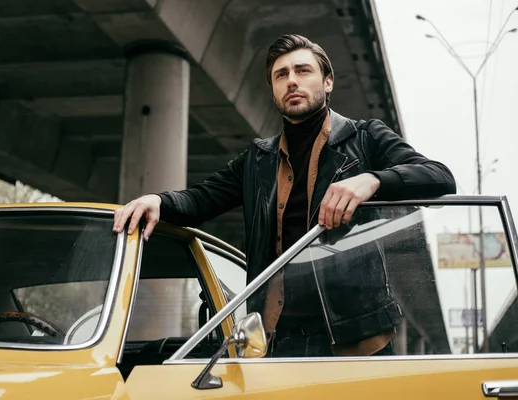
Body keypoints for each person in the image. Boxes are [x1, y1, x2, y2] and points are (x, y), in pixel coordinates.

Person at [113, 34, 456, 357]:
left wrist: (371, 180)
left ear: (327, 82)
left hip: (355, 340)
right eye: (281, 75)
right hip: (278, 339)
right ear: (275, 91)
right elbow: (201, 198)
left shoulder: (365, 138)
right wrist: (158, 201)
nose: (292, 80)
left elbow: (439, 177)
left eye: (303, 70)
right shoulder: (257, 159)